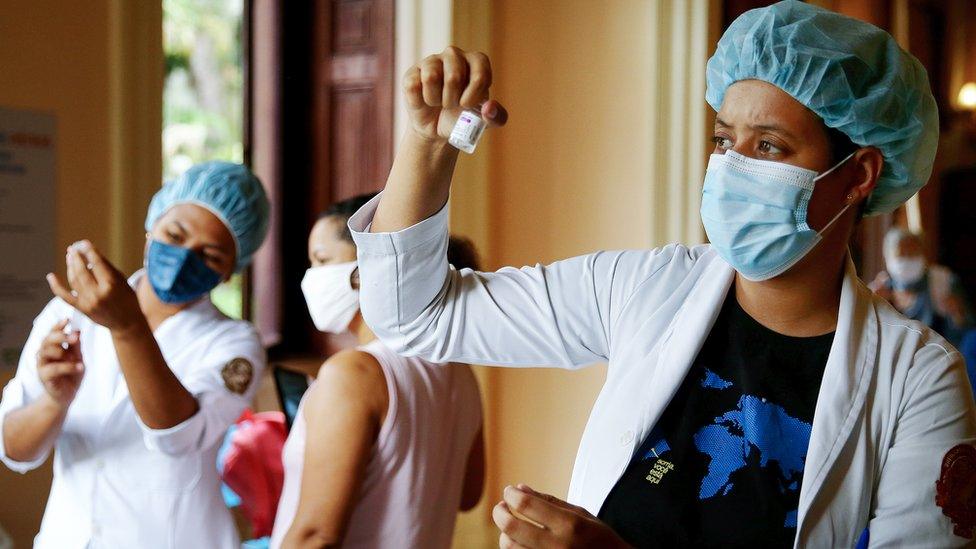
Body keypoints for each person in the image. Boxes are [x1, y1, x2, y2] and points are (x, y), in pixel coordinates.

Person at [346, 1, 976, 547]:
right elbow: (418, 316)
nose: (730, 168)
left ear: (860, 174)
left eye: (768, 147)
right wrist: (429, 148)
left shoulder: (916, 379)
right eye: (725, 140)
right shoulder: (645, 288)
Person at [0, 161, 270, 548]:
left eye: (209, 256)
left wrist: (127, 326)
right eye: (173, 235)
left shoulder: (235, 345)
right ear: (150, 228)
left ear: (230, 271)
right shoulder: (69, 314)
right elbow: (14, 447)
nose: (182, 258)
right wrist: (54, 401)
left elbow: (177, 438)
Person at [270, 194, 485, 549]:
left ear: (371, 262)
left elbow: (315, 536)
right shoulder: (460, 372)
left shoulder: (353, 373)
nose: (311, 277)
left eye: (322, 260)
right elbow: (467, 494)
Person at [870, 227, 973, 347]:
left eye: (913, 254)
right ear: (887, 258)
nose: (907, 259)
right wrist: (872, 304)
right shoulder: (880, 289)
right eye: (901, 254)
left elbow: (966, 331)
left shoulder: (942, 282)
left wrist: (957, 314)